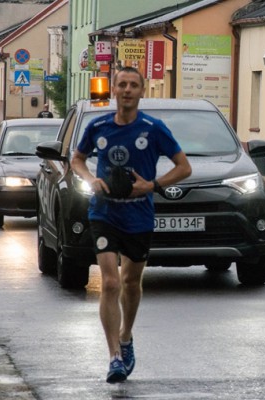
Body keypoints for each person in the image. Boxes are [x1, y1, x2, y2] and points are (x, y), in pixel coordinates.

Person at [70, 67, 192, 384]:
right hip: (104, 213)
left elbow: (184, 167)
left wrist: (152, 185)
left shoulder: (153, 129)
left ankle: (126, 336)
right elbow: (77, 159)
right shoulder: (98, 126)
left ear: (142, 91)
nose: (127, 90)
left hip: (139, 217)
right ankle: (114, 357)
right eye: (122, 84)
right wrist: (90, 179)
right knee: (110, 283)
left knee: (131, 282)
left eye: (133, 85)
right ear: (114, 90)